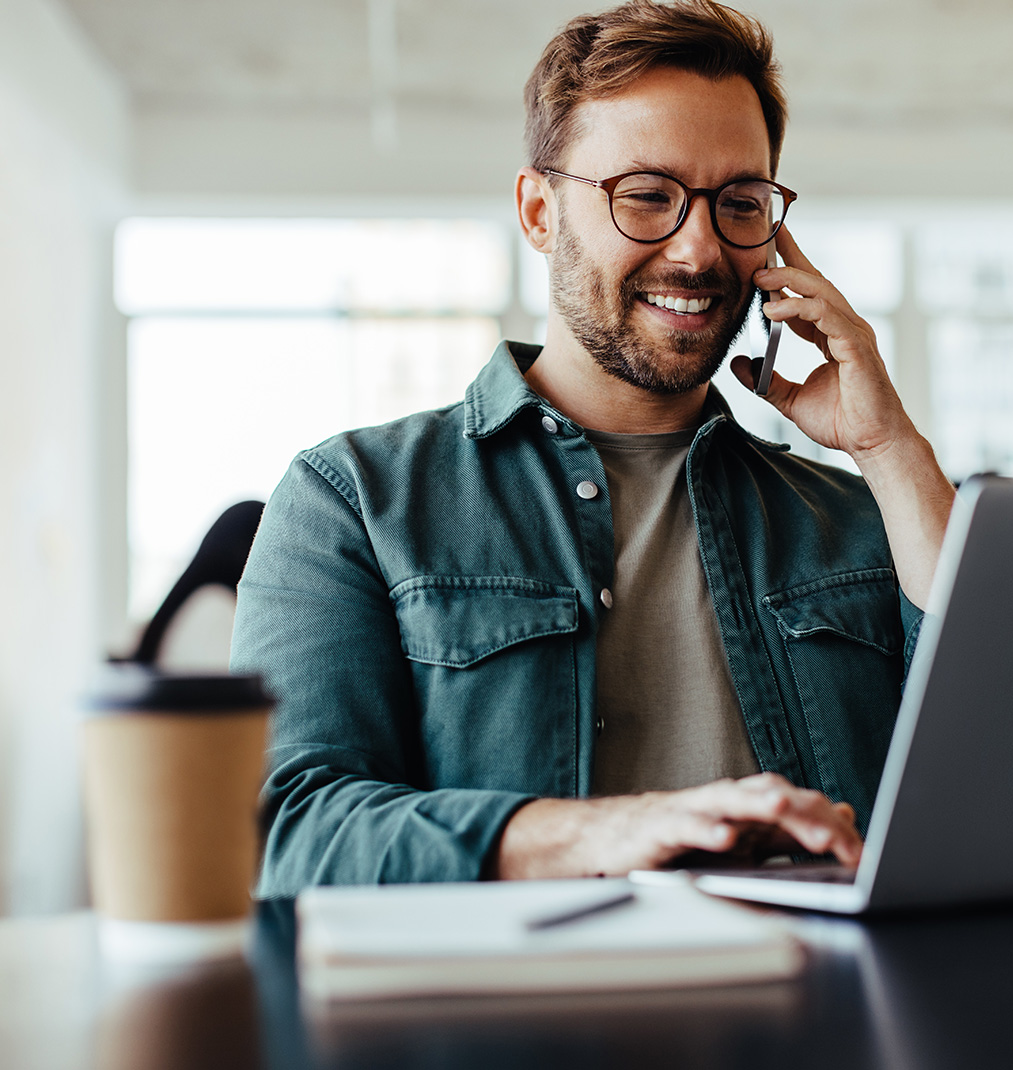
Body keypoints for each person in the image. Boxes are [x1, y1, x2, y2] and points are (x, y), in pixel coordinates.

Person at [232, 0, 955, 895]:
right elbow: (283, 831)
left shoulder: (857, 518)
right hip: (514, 1024)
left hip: (825, 1019)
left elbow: (1011, 770)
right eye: (647, 195)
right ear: (540, 211)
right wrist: (614, 830)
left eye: (739, 203)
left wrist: (889, 448)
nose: (699, 250)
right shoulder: (354, 500)